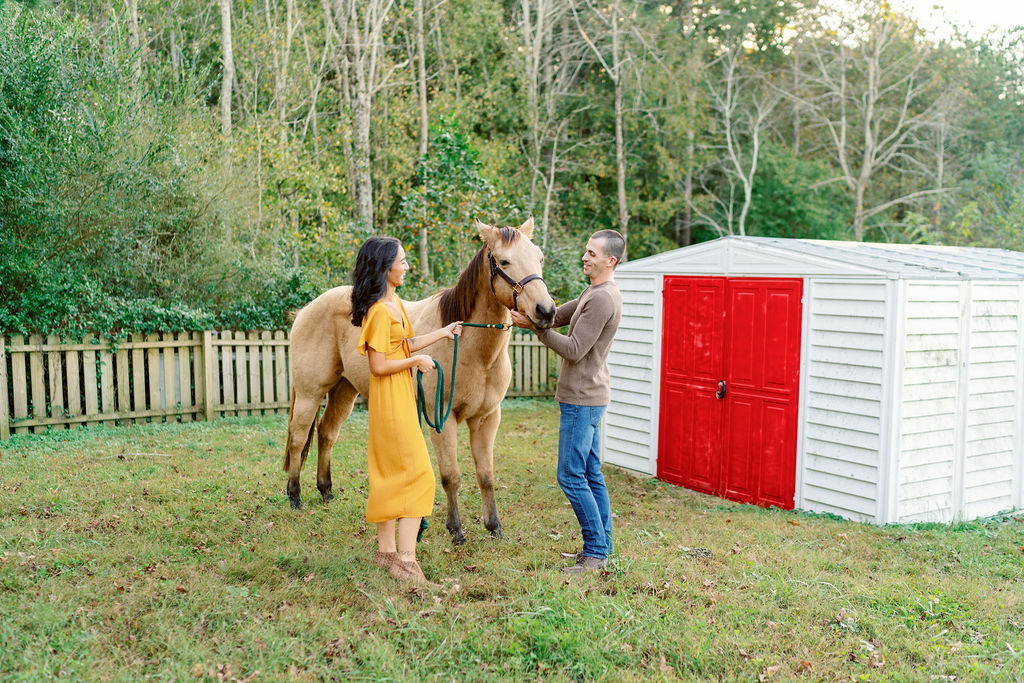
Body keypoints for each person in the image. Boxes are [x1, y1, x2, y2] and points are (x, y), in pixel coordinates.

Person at [511, 229, 624, 574]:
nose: (584, 257)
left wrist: (536, 331)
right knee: (590, 473)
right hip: (589, 396)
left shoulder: (603, 298)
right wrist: (533, 312)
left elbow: (575, 349)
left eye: (591, 253)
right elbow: (558, 314)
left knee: (570, 475)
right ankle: (601, 546)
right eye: (585, 251)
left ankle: (595, 554)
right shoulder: (594, 291)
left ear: (610, 261)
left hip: (582, 399)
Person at [351, 236, 462, 584]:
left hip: (400, 396)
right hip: (390, 400)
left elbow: (405, 343)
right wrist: (415, 361)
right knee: (420, 476)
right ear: (385, 267)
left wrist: (442, 333)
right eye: (401, 260)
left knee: (388, 474)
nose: (407, 265)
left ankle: (385, 554)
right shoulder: (380, 312)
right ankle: (406, 560)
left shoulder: (394, 303)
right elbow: (378, 366)